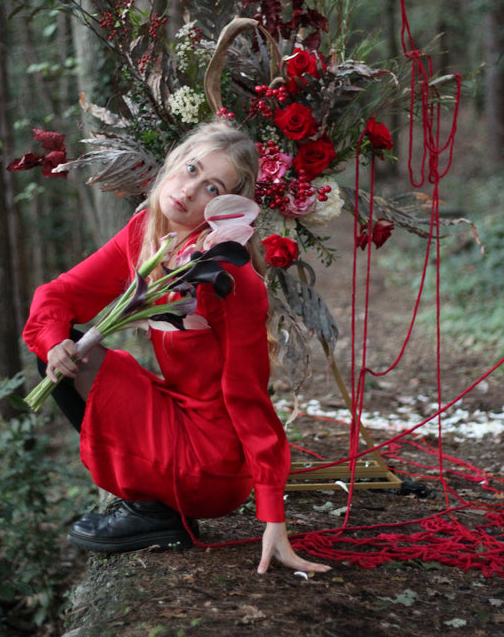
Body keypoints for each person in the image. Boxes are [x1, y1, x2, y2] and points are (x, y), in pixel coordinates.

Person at [23, 121, 329, 575]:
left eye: (211, 188)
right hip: (179, 413)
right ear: (173, 162)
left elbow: (250, 398)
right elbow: (58, 297)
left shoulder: (229, 277)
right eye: (190, 169)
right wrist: (52, 344)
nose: (189, 191)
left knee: (88, 358)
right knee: (64, 348)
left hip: (213, 463)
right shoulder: (144, 231)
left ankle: (153, 511)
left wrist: (273, 516)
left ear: (226, 208)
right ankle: (152, 503)